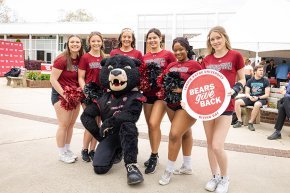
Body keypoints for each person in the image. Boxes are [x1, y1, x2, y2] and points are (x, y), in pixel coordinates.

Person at [201, 26, 245, 193]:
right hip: (207, 107)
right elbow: (201, 82)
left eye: (218, 38)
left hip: (226, 106)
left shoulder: (236, 56)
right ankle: (214, 177)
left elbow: (243, 79)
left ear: (224, 38)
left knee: (217, 145)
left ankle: (225, 178)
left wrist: (235, 90)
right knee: (210, 144)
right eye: (212, 39)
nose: (216, 41)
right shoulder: (207, 59)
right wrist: (189, 101)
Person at [158, 37, 202, 185]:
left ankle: (169, 170)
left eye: (181, 49)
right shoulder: (171, 65)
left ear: (187, 49)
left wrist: (182, 89)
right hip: (171, 104)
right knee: (185, 132)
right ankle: (187, 166)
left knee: (174, 134)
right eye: (175, 50)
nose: (178, 52)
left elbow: (201, 85)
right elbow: (163, 80)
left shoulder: (195, 64)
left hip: (187, 106)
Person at [141, 28, 176, 174]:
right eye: (149, 38)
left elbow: (175, 71)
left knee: (154, 123)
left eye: (155, 38)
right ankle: (153, 152)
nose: (152, 40)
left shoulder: (168, 55)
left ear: (160, 38)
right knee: (150, 126)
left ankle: (154, 157)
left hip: (161, 95)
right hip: (147, 94)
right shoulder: (145, 56)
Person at [50, 34, 84, 163]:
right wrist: (65, 94)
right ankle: (61, 153)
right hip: (61, 95)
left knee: (70, 125)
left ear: (81, 45)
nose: (75, 44)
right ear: (68, 44)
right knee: (63, 124)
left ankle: (67, 149)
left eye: (77, 42)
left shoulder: (80, 59)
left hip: (75, 96)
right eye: (72, 42)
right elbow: (52, 79)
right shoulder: (62, 59)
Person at [78, 31, 107, 162]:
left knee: (99, 123)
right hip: (89, 94)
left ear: (102, 42)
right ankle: (84, 149)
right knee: (90, 122)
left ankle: (92, 150)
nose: (96, 43)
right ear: (89, 42)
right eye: (93, 41)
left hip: (102, 95)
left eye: (98, 41)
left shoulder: (105, 57)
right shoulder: (85, 57)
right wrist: (86, 92)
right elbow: (80, 77)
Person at [233, 65, 270, 131]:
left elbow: (267, 94)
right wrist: (250, 97)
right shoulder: (250, 81)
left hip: (261, 99)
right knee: (237, 102)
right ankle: (239, 121)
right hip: (251, 98)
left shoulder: (265, 81)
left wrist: (258, 98)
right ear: (255, 71)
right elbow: (247, 93)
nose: (262, 72)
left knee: (257, 104)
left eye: (262, 71)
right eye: (260, 70)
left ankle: (250, 123)